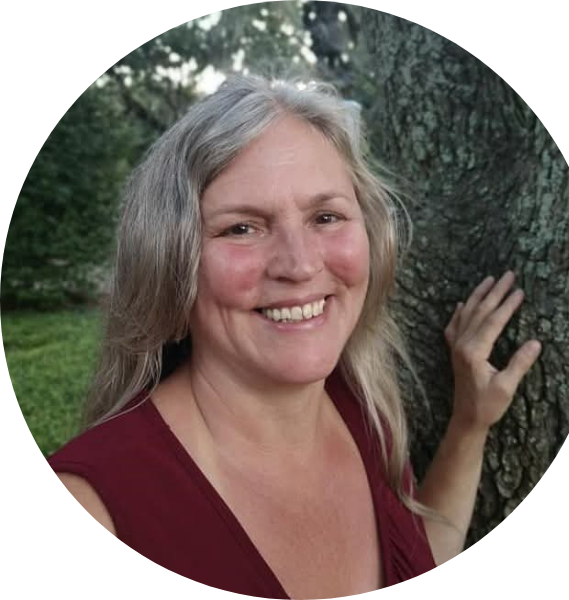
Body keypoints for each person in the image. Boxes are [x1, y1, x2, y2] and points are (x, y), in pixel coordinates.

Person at [49, 75, 541, 599]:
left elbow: (418, 562)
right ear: (171, 262)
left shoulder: (361, 409)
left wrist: (470, 424)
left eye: (326, 217)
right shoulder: (91, 511)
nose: (300, 265)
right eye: (242, 228)